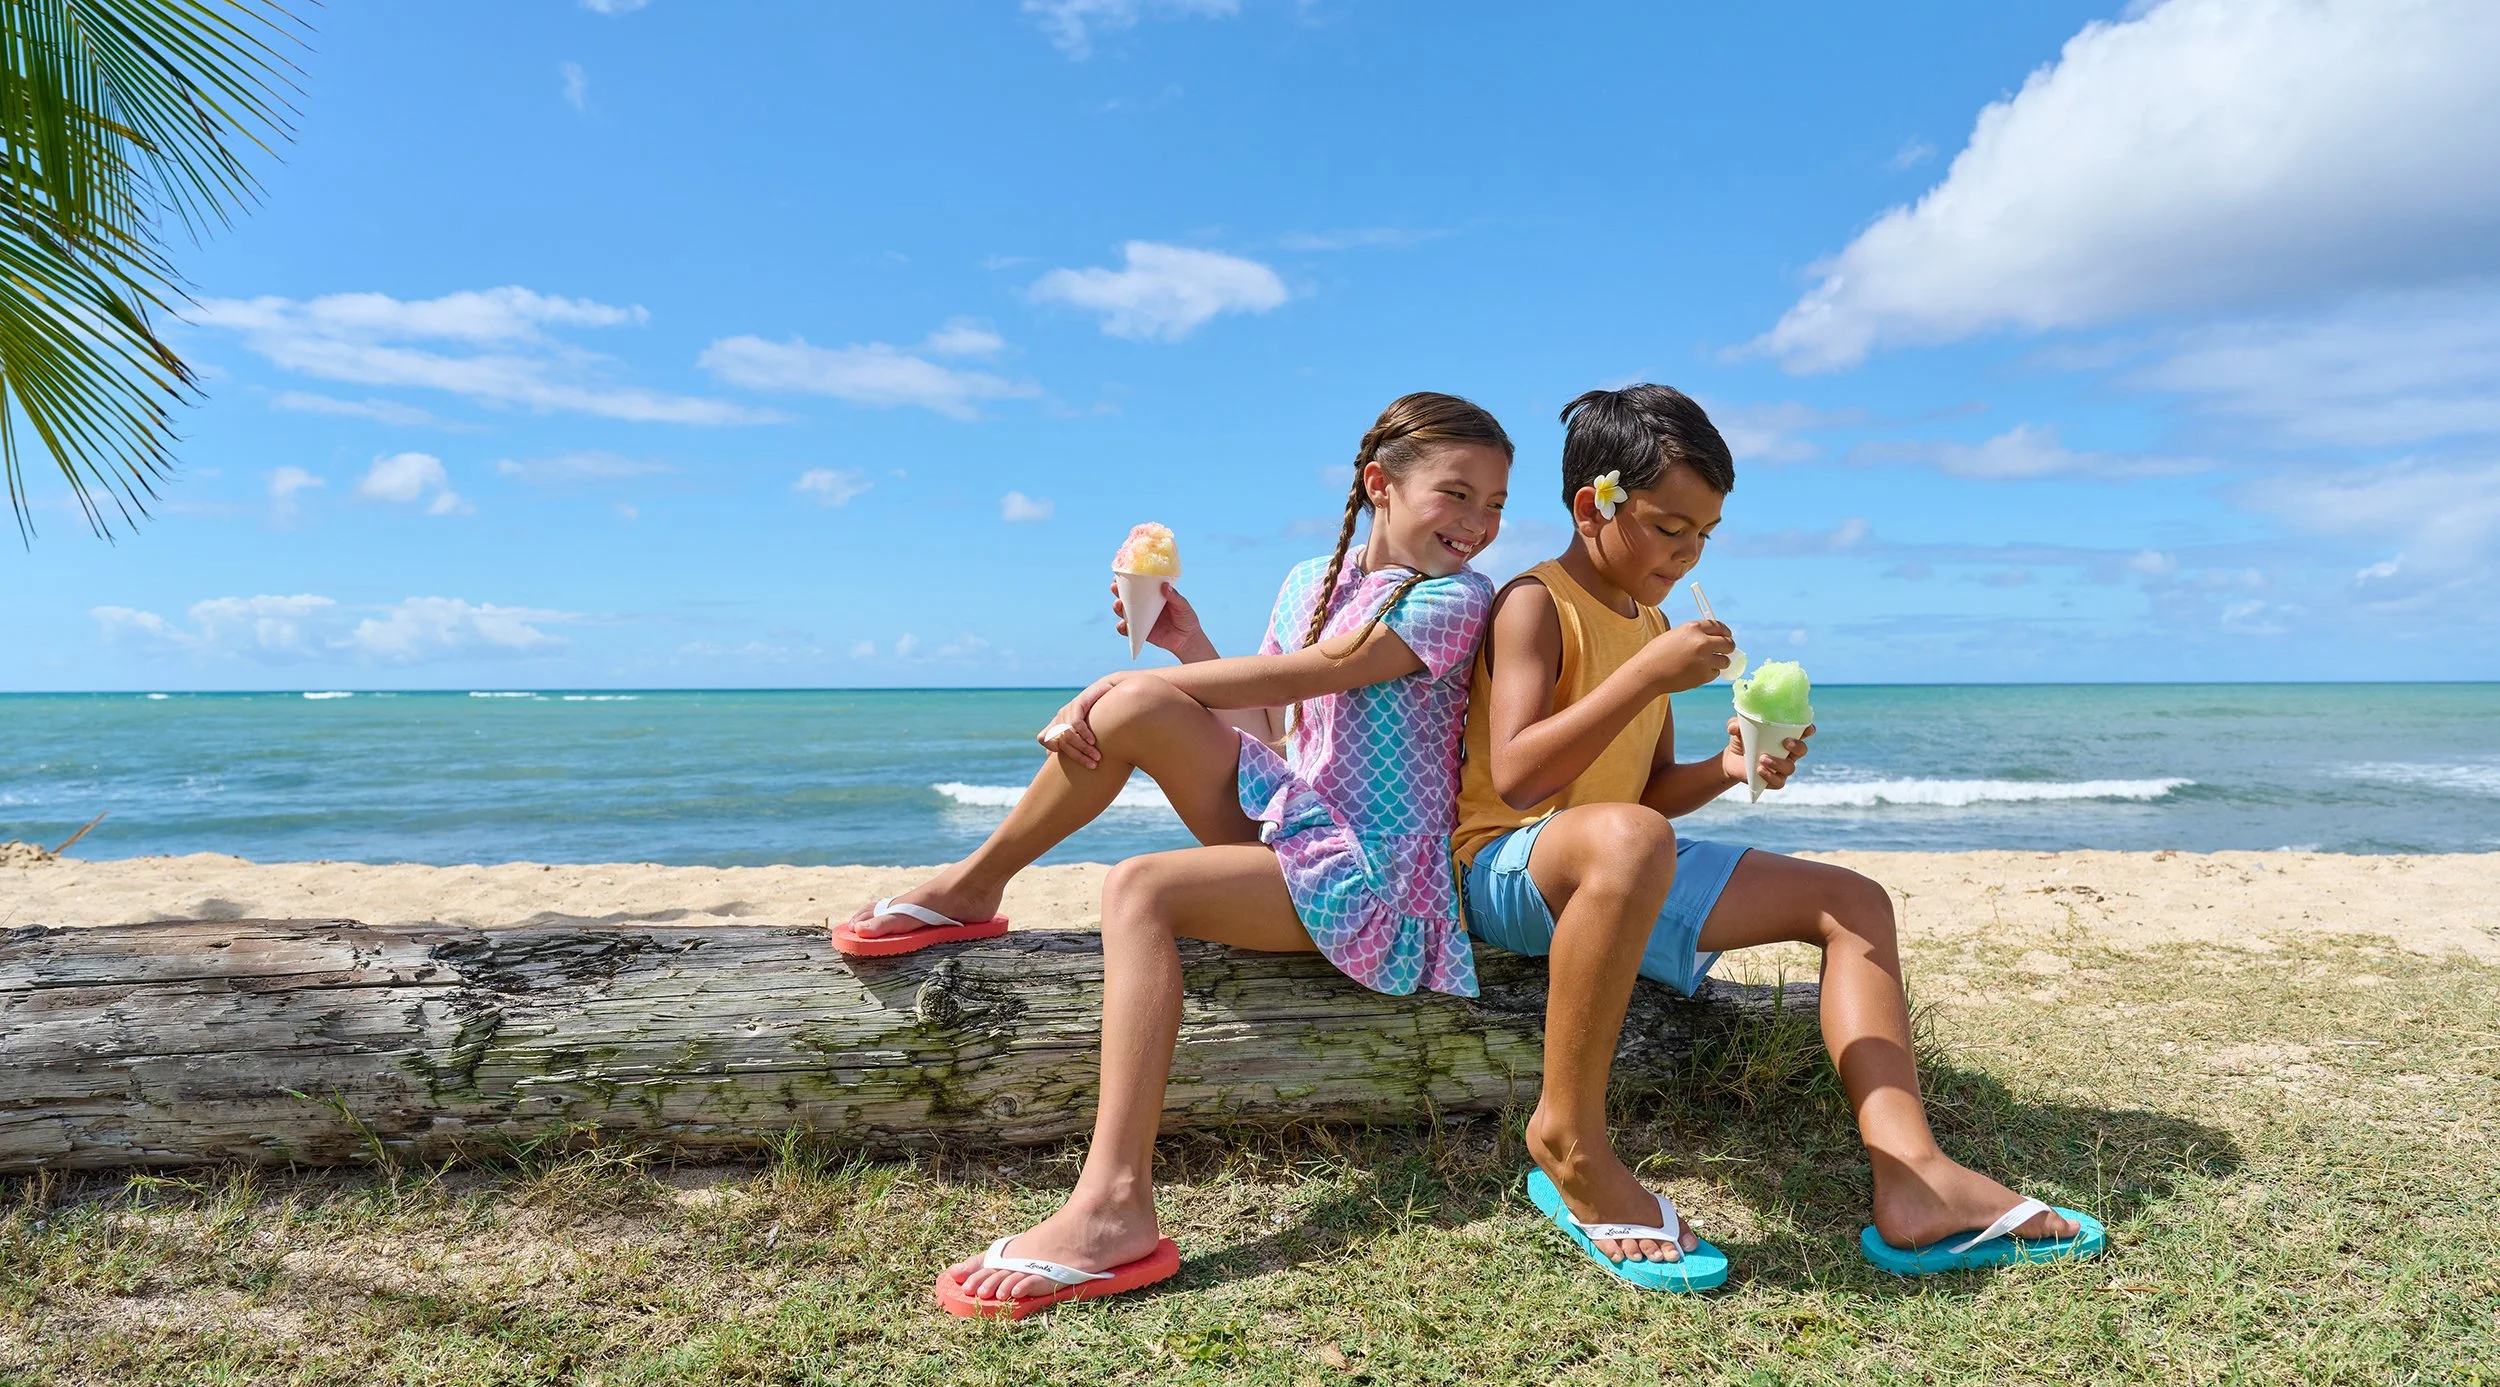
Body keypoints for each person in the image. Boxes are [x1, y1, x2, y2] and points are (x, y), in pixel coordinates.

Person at [834, 393, 1513, 1318]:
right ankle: (974, 886)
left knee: (1140, 884)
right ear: (1378, 486)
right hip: (1299, 824)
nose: (1478, 523)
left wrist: (1121, 674)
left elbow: (1327, 670)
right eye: (1457, 494)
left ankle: (1115, 1204)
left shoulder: (1455, 598)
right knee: (1137, 709)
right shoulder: (1310, 580)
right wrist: (1183, 645)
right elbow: (1272, 724)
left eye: (1495, 504)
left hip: (1379, 876)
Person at [1453, 383, 2104, 1287]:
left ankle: (1915, 1178)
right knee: (1629, 839)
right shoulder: (1535, 602)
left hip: (1619, 859)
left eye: (1704, 535)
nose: (1687, 554)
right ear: (1591, 508)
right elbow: (1522, 774)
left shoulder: (1647, 622)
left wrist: (1728, 767)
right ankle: (1569, 1141)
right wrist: (1647, 677)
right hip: (1506, 868)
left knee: (1852, 901)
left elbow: (1645, 795)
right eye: (1668, 527)